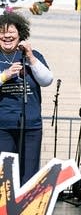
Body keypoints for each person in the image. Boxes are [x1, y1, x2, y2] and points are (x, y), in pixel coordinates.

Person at [0, 11, 53, 184]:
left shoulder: (33, 55)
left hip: (30, 125)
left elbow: (47, 80)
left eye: (11, 34)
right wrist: (5, 76)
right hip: (3, 126)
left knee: (29, 175)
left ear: (20, 35)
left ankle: (24, 209)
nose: (6, 36)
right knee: (5, 175)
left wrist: (30, 57)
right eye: (2, 33)